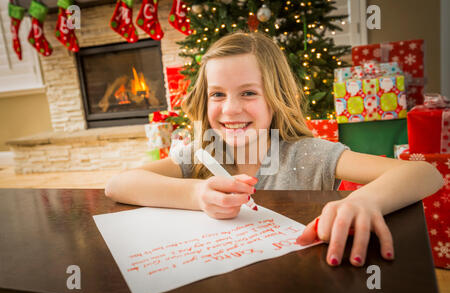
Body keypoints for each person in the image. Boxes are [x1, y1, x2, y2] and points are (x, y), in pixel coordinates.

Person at [105, 31, 443, 268]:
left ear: (276, 98)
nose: (230, 109)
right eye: (217, 94)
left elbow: (425, 173)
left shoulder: (307, 154)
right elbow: (118, 185)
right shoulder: (202, 152)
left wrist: (363, 200)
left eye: (248, 93)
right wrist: (197, 195)